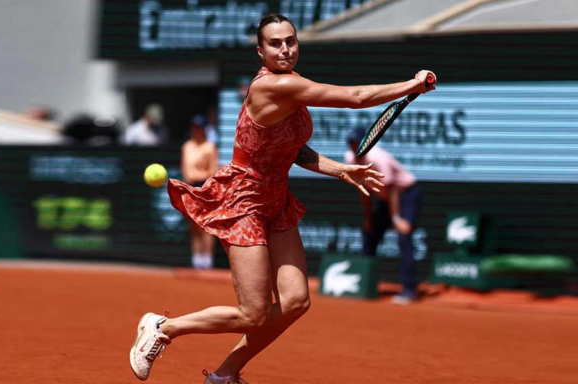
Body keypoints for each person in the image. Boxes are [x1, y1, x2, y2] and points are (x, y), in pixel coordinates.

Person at [129, 13, 435, 384]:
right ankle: (164, 327)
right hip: (243, 200)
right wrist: (410, 86)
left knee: (294, 303)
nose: (285, 49)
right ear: (261, 52)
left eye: (290, 41)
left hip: (275, 198)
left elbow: (293, 148)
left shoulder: (291, 86)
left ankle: (224, 376)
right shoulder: (272, 87)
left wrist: (341, 169)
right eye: (275, 43)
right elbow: (355, 98)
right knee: (254, 314)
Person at [345, 128, 423, 305]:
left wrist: (396, 219)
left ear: (366, 142)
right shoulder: (350, 159)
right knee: (370, 235)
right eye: (351, 144)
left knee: (404, 237)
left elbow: (393, 189)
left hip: (406, 195)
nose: (354, 147)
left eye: (357, 143)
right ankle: (364, 285)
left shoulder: (378, 158)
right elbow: (363, 191)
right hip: (386, 199)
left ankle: (409, 290)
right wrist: (368, 219)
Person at [181, 114, 219, 269]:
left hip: (204, 187)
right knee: (193, 225)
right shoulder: (187, 147)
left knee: (206, 226)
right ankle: (197, 258)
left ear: (204, 129)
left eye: (200, 127)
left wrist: (205, 190)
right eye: (195, 127)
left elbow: (212, 170)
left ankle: (208, 259)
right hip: (189, 187)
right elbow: (184, 168)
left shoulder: (209, 147)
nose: (197, 130)